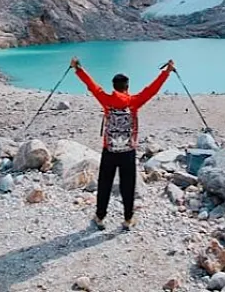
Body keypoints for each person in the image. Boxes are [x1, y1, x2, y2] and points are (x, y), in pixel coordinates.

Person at [71, 56, 174, 231]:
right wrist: (167, 72)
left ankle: (100, 216)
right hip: (128, 151)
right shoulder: (134, 102)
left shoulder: (106, 100)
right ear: (127, 87)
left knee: (105, 183)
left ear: (114, 86)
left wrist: (78, 68)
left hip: (109, 150)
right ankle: (127, 219)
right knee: (128, 185)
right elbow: (152, 89)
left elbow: (91, 85)